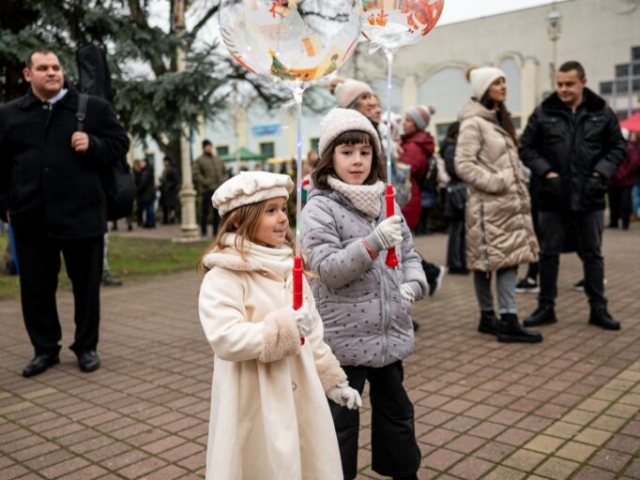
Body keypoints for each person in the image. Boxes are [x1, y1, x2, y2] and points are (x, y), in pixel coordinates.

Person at [197, 170, 361, 480]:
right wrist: (283, 329)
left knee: (307, 460)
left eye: (283, 209)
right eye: (270, 211)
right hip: (254, 398)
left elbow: (313, 335)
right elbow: (224, 337)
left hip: (302, 391)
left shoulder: (291, 269)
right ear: (239, 220)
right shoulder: (225, 276)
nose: (283, 218)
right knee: (264, 464)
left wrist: (333, 382)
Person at [300, 108, 427, 480]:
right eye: (347, 152)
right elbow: (328, 270)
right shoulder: (319, 207)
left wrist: (413, 284)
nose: (357, 160)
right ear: (330, 158)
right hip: (343, 340)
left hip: (388, 335)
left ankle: (403, 472)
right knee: (340, 422)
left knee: (397, 414)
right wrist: (371, 244)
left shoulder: (387, 202)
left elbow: (410, 255)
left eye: (365, 152)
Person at [0, 48, 129, 376]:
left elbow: (120, 143)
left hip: (82, 216)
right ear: (28, 74)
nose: (52, 72)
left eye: (56, 67)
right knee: (36, 290)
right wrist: (5, 207)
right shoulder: (8, 115)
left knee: (86, 288)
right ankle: (45, 350)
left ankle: (86, 347)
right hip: (30, 218)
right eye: (43, 68)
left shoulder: (92, 107)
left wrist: (94, 144)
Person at [519, 60, 626, 331]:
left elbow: (617, 147)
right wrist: (548, 174)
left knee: (593, 254)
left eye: (569, 84)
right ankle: (546, 308)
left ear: (583, 83)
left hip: (590, 195)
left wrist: (599, 174)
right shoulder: (544, 112)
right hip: (552, 196)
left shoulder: (601, 112)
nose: (563, 89)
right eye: (559, 84)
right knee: (548, 254)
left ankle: (598, 309)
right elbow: (527, 147)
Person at [455, 66, 542, 343]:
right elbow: (463, 164)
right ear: (484, 89)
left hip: (507, 205)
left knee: (505, 260)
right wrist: (497, 182)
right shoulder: (474, 123)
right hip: (488, 206)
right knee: (490, 262)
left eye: (504, 81)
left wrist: (520, 176)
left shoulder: (498, 120)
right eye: (497, 82)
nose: (504, 86)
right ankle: (503, 319)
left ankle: (495, 317)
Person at [398, 105, 436, 234]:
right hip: (409, 192)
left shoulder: (414, 146)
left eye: (408, 120)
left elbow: (401, 170)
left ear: (417, 125)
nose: (404, 123)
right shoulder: (412, 142)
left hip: (405, 193)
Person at [441, 121, 468, 274]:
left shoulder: (452, 147)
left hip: (456, 192)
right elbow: (454, 169)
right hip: (457, 193)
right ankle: (456, 264)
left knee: (459, 230)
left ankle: (459, 262)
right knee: (457, 230)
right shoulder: (452, 148)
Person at [193, 139, 227, 237]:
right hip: (206, 190)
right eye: (207, 146)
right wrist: (205, 182)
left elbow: (225, 172)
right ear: (203, 148)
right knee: (205, 211)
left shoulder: (217, 159)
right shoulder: (199, 160)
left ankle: (216, 231)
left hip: (218, 190)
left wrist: (223, 181)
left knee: (217, 212)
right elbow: (196, 174)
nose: (209, 148)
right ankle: (203, 232)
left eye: (210, 146)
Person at [607, 129, 639, 230]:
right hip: (614, 180)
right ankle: (614, 221)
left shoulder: (629, 149)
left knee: (624, 202)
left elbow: (634, 163)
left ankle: (624, 222)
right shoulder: (611, 148)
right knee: (614, 202)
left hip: (625, 181)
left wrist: (623, 174)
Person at [158, 155, 181, 225]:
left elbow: (175, 180)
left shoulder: (172, 170)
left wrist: (168, 185)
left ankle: (172, 218)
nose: (164, 163)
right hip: (165, 190)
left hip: (171, 191)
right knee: (165, 206)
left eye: (165, 161)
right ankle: (166, 219)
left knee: (171, 206)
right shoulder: (165, 170)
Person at [136, 158, 156, 228]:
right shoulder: (148, 171)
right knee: (149, 208)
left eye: (142, 162)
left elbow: (143, 183)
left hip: (147, 194)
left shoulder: (145, 172)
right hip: (149, 193)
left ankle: (150, 222)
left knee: (149, 208)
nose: (140, 164)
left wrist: (138, 189)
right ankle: (150, 222)